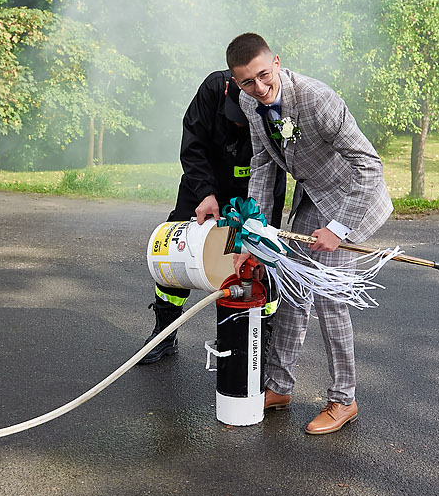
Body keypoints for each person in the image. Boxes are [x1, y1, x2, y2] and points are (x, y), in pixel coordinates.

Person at [227, 32, 392, 434]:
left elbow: (369, 164)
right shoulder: (249, 103)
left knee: (330, 298)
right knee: (293, 288)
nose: (259, 88)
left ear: (277, 62)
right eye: (248, 82)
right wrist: (252, 234)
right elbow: (263, 165)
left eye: (264, 76)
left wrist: (338, 229)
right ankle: (279, 387)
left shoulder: (317, 99)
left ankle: (344, 399)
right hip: (314, 196)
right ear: (236, 82)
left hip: (352, 197)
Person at [138, 69, 285, 363]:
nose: (238, 123)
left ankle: (252, 338)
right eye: (234, 116)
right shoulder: (214, 88)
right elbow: (192, 144)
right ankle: (165, 332)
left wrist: (256, 224)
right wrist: (205, 192)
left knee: (254, 262)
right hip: (202, 183)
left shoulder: (274, 102)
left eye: (244, 119)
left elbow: (274, 171)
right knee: (174, 252)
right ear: (230, 88)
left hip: (253, 192)